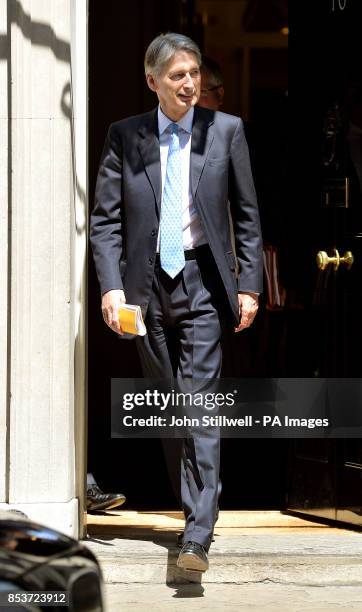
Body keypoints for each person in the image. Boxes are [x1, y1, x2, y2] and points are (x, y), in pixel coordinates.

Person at [90, 32, 262, 573]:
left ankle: (196, 535)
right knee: (170, 406)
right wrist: (111, 287)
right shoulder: (125, 136)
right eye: (177, 76)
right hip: (144, 287)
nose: (190, 84)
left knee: (200, 402)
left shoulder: (226, 130)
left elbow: (247, 215)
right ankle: (193, 507)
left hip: (204, 282)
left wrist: (249, 285)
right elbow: (105, 221)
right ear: (153, 82)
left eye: (193, 74)